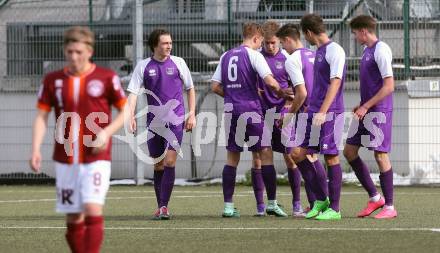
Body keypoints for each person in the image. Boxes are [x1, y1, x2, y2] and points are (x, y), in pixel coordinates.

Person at [30, 26, 128, 253]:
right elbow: (41, 117)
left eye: (79, 52)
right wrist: (35, 149)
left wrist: (105, 132)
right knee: (74, 216)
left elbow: (125, 111)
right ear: (65, 51)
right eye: (70, 52)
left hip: (96, 157)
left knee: (93, 209)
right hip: (65, 158)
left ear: (89, 52)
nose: (74, 57)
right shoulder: (52, 80)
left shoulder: (106, 78)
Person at [211, 22, 290, 218]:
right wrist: (284, 94)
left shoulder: (226, 55)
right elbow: (271, 82)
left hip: (231, 111)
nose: (261, 45)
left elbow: (215, 86)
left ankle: (228, 206)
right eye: (260, 41)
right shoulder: (254, 55)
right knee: (266, 153)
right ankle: (271, 203)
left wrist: (232, 96)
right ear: (256, 38)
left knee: (232, 158)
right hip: (252, 111)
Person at [126, 29, 196, 220]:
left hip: (176, 121)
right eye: (165, 43)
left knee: (170, 161)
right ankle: (160, 205)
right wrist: (130, 115)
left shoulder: (179, 63)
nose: (169, 46)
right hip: (154, 123)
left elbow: (190, 88)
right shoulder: (143, 66)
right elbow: (132, 93)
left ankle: (164, 207)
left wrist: (192, 115)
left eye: (170, 43)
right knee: (158, 166)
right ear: (155, 45)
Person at [292, 14, 346, 220]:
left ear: (308, 32)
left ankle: (335, 209)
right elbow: (320, 84)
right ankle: (321, 199)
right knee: (297, 154)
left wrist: (323, 110)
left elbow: (335, 83)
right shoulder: (320, 51)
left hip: (330, 113)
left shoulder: (335, 50)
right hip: (315, 111)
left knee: (331, 157)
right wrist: (312, 108)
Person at [344, 15, 397, 219]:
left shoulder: (381, 50)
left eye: (355, 33)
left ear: (363, 31)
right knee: (349, 151)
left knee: (380, 155)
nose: (355, 37)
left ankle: (390, 207)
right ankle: (376, 198)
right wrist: (362, 103)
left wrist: (366, 105)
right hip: (367, 109)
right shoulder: (367, 51)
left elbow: (389, 86)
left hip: (379, 111)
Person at [276, 23, 317, 213]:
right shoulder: (315, 55)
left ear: (288, 40)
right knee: (309, 155)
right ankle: (317, 203)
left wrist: (288, 116)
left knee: (299, 155)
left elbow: (301, 93)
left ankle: (320, 201)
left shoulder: (293, 59)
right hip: (319, 111)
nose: (283, 49)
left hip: (305, 113)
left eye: (283, 45)